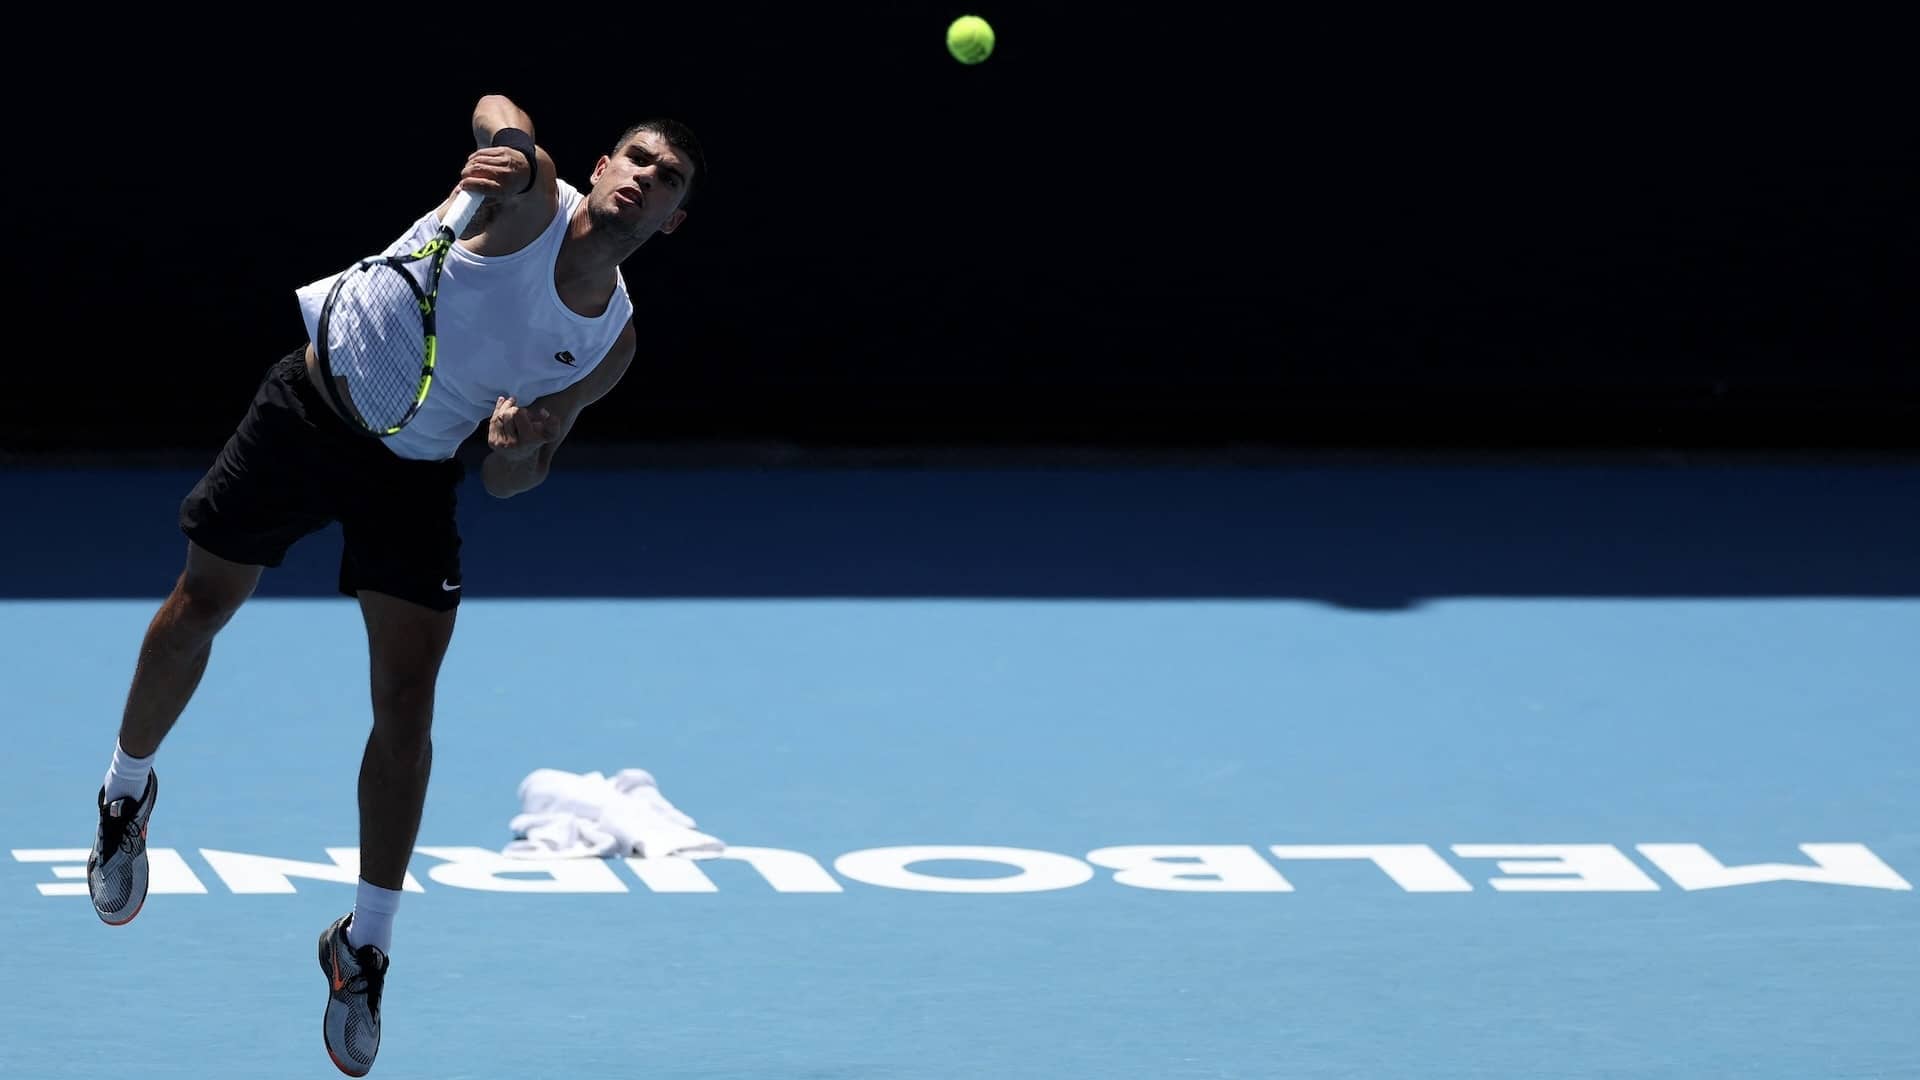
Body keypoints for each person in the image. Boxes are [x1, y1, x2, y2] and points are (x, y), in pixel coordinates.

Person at [84, 93, 705, 1077]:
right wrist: (501, 145)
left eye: (668, 181)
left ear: (671, 221)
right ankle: (125, 790)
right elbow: (498, 107)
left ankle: (363, 946)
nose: (645, 179)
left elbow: (512, 482)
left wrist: (518, 444)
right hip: (308, 406)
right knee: (201, 604)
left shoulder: (609, 343)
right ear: (600, 163)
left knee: (407, 708)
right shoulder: (532, 196)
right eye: (637, 159)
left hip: (415, 471)